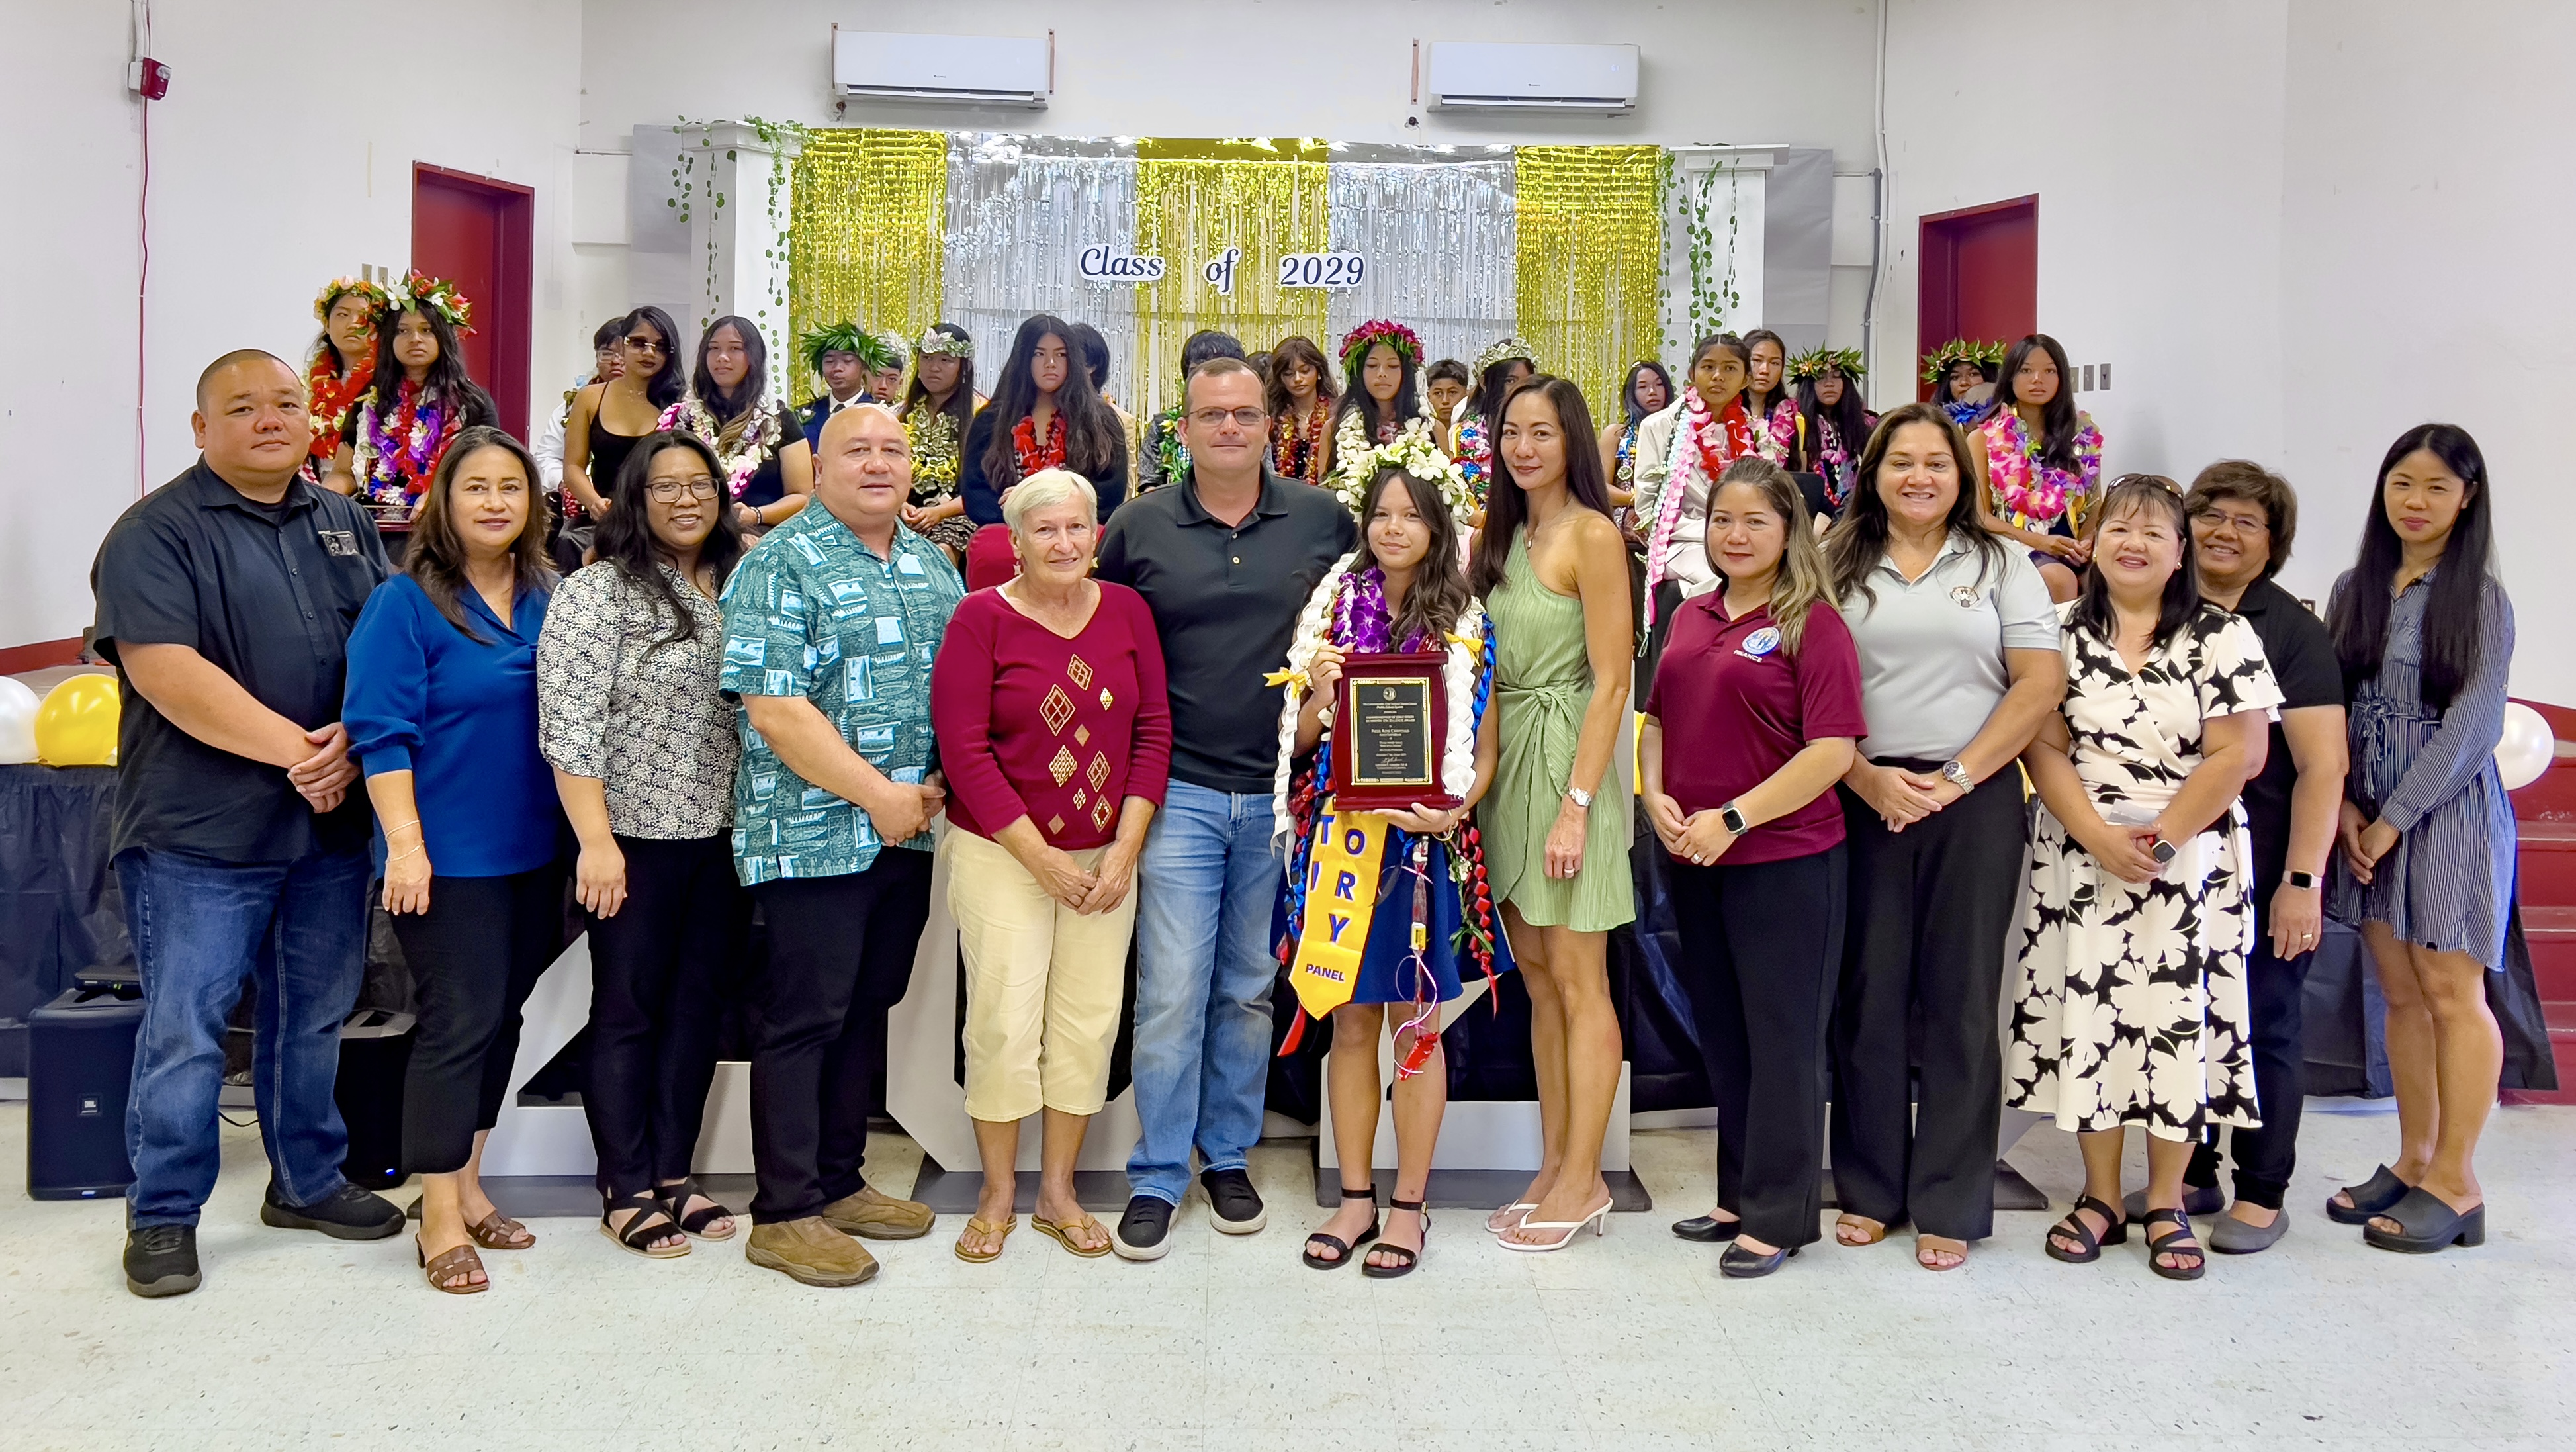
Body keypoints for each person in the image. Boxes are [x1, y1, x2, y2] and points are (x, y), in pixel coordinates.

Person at [91, 350, 406, 1298]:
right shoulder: (155, 532)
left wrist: (354, 734)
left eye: (285, 404)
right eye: (242, 407)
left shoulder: (346, 521)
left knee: (311, 1015)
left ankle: (306, 1181)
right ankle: (163, 1214)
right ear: (200, 427)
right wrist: (301, 753)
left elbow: (386, 642)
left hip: (328, 828)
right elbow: (164, 670)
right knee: (189, 1030)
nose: (269, 420)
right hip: (201, 832)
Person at [1094, 356, 1358, 1261]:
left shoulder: (1323, 519)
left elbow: (1364, 626)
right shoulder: (1139, 523)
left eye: (1245, 413)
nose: (1231, 429)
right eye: (1213, 415)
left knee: (1248, 988)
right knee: (1170, 991)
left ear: (1267, 421)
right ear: (1186, 425)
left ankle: (1228, 1155)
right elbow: (1095, 627)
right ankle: (1161, 1173)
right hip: (1179, 793)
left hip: (1285, 793)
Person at [2008, 474, 2278, 1283]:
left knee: (2176, 1028)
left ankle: (2163, 1198)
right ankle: (2099, 1197)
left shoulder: (2221, 635)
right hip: (2078, 851)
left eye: (2153, 533)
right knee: (2089, 1018)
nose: (2133, 542)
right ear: (2091, 542)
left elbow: (2240, 753)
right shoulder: (2054, 631)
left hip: (2189, 856)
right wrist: (2096, 834)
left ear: (2177, 553)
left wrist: (2159, 840)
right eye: (2118, 527)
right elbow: (2042, 745)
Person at [718, 403, 961, 1287]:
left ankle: (839, 1181)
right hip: (813, 833)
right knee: (805, 1016)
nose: (876, 463)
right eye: (855, 449)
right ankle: (782, 1211)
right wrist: (881, 796)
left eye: (892, 450)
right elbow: (775, 708)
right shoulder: (779, 563)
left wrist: (931, 792)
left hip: (907, 836)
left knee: (866, 1006)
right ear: (816, 468)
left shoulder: (933, 567)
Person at [1818, 403, 2063, 1272]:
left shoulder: (2001, 564)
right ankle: (1871, 1189)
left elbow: (2037, 684)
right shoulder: (1834, 557)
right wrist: (1865, 778)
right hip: (1861, 791)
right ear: (1873, 472)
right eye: (1900, 462)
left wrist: (1957, 777)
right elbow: (1809, 686)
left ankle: (1952, 1195)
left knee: (1961, 999)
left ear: (1963, 477)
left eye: (1937, 463)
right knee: (1868, 996)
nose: (1919, 476)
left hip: (1975, 793)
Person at [344, 427, 567, 1294]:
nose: (494, 502)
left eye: (511, 487)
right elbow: (381, 734)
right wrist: (405, 845)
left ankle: (471, 1186)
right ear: (445, 499)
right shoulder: (404, 605)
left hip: (535, 851)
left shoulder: (551, 595)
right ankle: (435, 1214)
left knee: (501, 1020)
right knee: (455, 1024)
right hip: (446, 859)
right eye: (476, 486)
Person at [930, 469, 1170, 1264]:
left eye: (1076, 528)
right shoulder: (980, 619)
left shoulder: (1129, 611)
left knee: (1089, 1021)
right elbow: (963, 751)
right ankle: (998, 1191)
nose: (1063, 543)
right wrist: (1040, 858)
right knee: (1002, 1020)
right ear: (1016, 542)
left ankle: (1057, 1192)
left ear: (1096, 534)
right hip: (1003, 853)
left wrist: (1124, 847)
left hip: (1106, 856)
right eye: (1045, 530)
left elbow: (1153, 734)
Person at [1276, 443, 1503, 1277]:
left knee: (1416, 1026)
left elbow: (1484, 745)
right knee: (1350, 1025)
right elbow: (1298, 742)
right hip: (1341, 839)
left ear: (1439, 524)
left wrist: (1455, 807)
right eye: (1381, 513)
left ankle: (1408, 1204)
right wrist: (1326, 696)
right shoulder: (1330, 610)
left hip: (1423, 842)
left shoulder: (1469, 618)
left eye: (1411, 513)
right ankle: (1354, 1194)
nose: (1393, 527)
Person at [1642, 457, 1865, 1277]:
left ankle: (1778, 1215)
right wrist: (1655, 794)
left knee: (1782, 1040)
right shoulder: (1691, 613)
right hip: (1694, 852)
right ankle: (1737, 1194)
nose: (1733, 536)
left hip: (1783, 857)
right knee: (1727, 1036)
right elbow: (1658, 716)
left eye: (1755, 523)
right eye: (1721, 521)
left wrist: (1735, 817)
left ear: (1791, 533)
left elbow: (1833, 751)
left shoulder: (1813, 623)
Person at [536, 431, 750, 1260]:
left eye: (700, 484)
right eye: (665, 487)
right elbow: (570, 727)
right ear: (635, 498)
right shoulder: (598, 594)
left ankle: (673, 1173)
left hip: (726, 833)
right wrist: (595, 841)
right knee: (627, 1010)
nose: (686, 499)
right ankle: (623, 1186)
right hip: (627, 836)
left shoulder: (741, 581)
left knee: (698, 1009)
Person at [2323, 424, 2514, 1255]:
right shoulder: (2352, 586)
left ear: (2465, 498)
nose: (2415, 500)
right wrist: (2339, 809)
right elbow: (2326, 701)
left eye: (2436, 486)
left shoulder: (2477, 598)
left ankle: (2458, 1182)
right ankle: (2413, 1158)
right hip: (2362, 814)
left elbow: (2473, 725)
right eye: (2402, 482)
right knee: (2398, 995)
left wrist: (2393, 817)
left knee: (2449, 994)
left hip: (2444, 815)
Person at [2154, 461, 2346, 1253]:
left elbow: (2322, 766)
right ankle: (2192, 1171)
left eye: (2244, 522)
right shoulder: (2162, 610)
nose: (2222, 533)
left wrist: (2301, 881)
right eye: (2209, 515)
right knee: (2186, 1014)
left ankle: (2262, 1190)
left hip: (2263, 864)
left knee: (2263, 1022)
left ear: (2272, 544)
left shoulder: (2289, 631)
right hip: (2177, 860)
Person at [1468, 375, 1636, 1251]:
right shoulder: (1506, 533)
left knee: (1580, 978)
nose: (1524, 447)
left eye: (1541, 431)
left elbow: (1613, 680)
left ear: (1572, 438)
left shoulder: (1593, 534)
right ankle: (1555, 1162)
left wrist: (1576, 807)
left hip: (1572, 759)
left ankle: (1586, 1176)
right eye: (1510, 432)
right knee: (1537, 975)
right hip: (1509, 771)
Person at [324, 274, 496, 562]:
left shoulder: (472, 401)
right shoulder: (369, 399)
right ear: (389, 340)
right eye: (403, 331)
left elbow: (487, 472)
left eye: (426, 330)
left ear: (444, 337)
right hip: (373, 523)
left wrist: (435, 492)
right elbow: (344, 472)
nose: (415, 339)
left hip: (442, 526)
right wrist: (325, 499)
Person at [960, 314, 1129, 545]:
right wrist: (1024, 518)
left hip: (1078, 537)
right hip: (1008, 535)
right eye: (1039, 354)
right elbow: (976, 495)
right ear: (1023, 359)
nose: (1051, 363)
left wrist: (1034, 501)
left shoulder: (1101, 421)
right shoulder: (991, 421)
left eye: (1061, 354)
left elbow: (1110, 496)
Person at [1634, 334, 1759, 632]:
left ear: (1745, 379)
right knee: (1723, 581)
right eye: (1708, 367)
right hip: (1681, 542)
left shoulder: (1753, 431)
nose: (1718, 376)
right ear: (1692, 374)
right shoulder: (1660, 426)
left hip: (1739, 539)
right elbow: (1647, 509)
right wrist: (1714, 532)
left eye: (1730, 368)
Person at [1968, 334, 2103, 603]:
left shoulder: (2084, 436)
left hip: (2071, 547)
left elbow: (2095, 506)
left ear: (2062, 378)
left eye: (2049, 371)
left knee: (2115, 579)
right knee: (2061, 579)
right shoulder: (1983, 438)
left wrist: (2087, 543)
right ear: (2010, 377)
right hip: (2013, 544)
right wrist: (2041, 543)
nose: (2037, 379)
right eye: (2026, 370)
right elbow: (1980, 517)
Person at [660, 316, 815, 539]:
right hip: (691, 537)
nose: (722, 357)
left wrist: (755, 515)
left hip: (761, 536)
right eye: (713, 349)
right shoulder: (683, 418)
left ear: (753, 356)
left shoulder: (779, 419)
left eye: (735, 349)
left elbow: (802, 497)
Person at [562, 307, 686, 548]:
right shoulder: (590, 398)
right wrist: (594, 503)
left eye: (660, 347)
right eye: (639, 343)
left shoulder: (682, 405)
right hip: (604, 518)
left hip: (659, 521)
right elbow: (573, 466)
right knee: (570, 544)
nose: (649, 353)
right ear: (622, 345)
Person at [897, 322, 981, 558]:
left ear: (963, 367)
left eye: (945, 360)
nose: (933, 367)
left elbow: (986, 488)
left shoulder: (982, 415)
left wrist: (940, 513)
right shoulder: (898, 414)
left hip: (959, 513)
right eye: (926, 358)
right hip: (903, 510)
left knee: (939, 551)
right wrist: (899, 505)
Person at [1138, 329, 1247, 492]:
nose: (1206, 378)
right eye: (1197, 370)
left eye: (1217, 371)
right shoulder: (1163, 425)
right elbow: (1149, 483)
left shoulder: (1249, 423)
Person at [1323, 320, 1428, 486]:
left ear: (1406, 372)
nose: (1382, 374)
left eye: (1393, 366)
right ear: (1359, 372)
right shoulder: (1333, 429)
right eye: (1372, 365)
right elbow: (1325, 493)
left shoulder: (1431, 428)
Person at [302, 277, 384, 486]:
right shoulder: (308, 387)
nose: (353, 323)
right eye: (342, 314)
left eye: (365, 316)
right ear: (327, 325)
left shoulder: (389, 384)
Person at [533, 318, 627, 499]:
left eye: (623, 354)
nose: (616, 361)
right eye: (607, 354)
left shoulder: (655, 407)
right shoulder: (572, 407)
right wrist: (569, 483)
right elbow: (546, 457)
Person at [1450, 337, 1536, 508]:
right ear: (1485, 383)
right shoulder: (1469, 433)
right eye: (1510, 381)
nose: (1520, 388)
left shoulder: (1543, 425)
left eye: (1526, 381)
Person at [1789, 347, 1877, 513]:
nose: (1829, 383)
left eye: (1837, 377)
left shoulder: (1864, 425)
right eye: (1821, 377)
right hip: (1810, 512)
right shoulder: (1795, 423)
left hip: (1857, 511)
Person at [796, 320, 901, 452]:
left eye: (847, 361)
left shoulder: (881, 414)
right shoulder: (803, 414)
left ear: (864, 366)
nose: (837, 368)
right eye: (829, 361)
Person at [1069, 320, 1143, 504]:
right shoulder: (1038, 411)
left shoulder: (1117, 420)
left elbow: (1125, 490)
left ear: (1092, 366)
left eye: (1067, 356)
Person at [1595, 359, 1674, 525]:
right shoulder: (1616, 434)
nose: (1652, 392)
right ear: (1632, 393)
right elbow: (1600, 489)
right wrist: (1642, 500)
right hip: (1624, 520)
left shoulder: (1681, 432)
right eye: (1643, 387)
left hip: (1671, 518)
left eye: (1659, 385)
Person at [1266, 334, 1339, 484]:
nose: (1298, 379)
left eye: (1305, 371)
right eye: (1289, 373)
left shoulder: (1337, 416)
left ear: (1319, 372)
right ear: (1280, 378)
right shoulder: (1272, 418)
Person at [1740, 328, 1799, 467]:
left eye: (1775, 363)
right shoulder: (1722, 414)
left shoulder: (1794, 417)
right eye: (1757, 360)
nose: (1765, 370)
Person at [1924, 340, 1997, 428]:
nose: (1963, 382)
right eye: (1955, 377)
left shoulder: (2006, 415)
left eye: (1973, 374)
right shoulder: (1935, 423)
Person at [1424, 359, 1471, 455]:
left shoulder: (1477, 432)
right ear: (1429, 397)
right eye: (1438, 393)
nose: (1445, 401)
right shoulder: (1423, 432)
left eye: (1452, 392)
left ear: (1467, 394)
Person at [866, 331, 910, 405]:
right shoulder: (848, 410)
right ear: (863, 377)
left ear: (900, 383)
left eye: (892, 379)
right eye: (877, 376)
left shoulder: (904, 415)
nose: (883, 386)